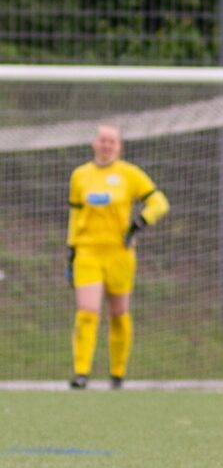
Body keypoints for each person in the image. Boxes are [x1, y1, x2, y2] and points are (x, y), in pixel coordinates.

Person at [67, 124, 171, 389]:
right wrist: (71, 250)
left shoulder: (129, 174)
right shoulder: (80, 176)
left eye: (112, 141)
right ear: (94, 143)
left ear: (119, 146)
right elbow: (75, 216)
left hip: (119, 253)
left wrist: (139, 223)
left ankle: (117, 374)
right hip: (88, 251)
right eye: (102, 140)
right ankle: (81, 373)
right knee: (87, 312)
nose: (107, 145)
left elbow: (159, 202)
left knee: (119, 313)